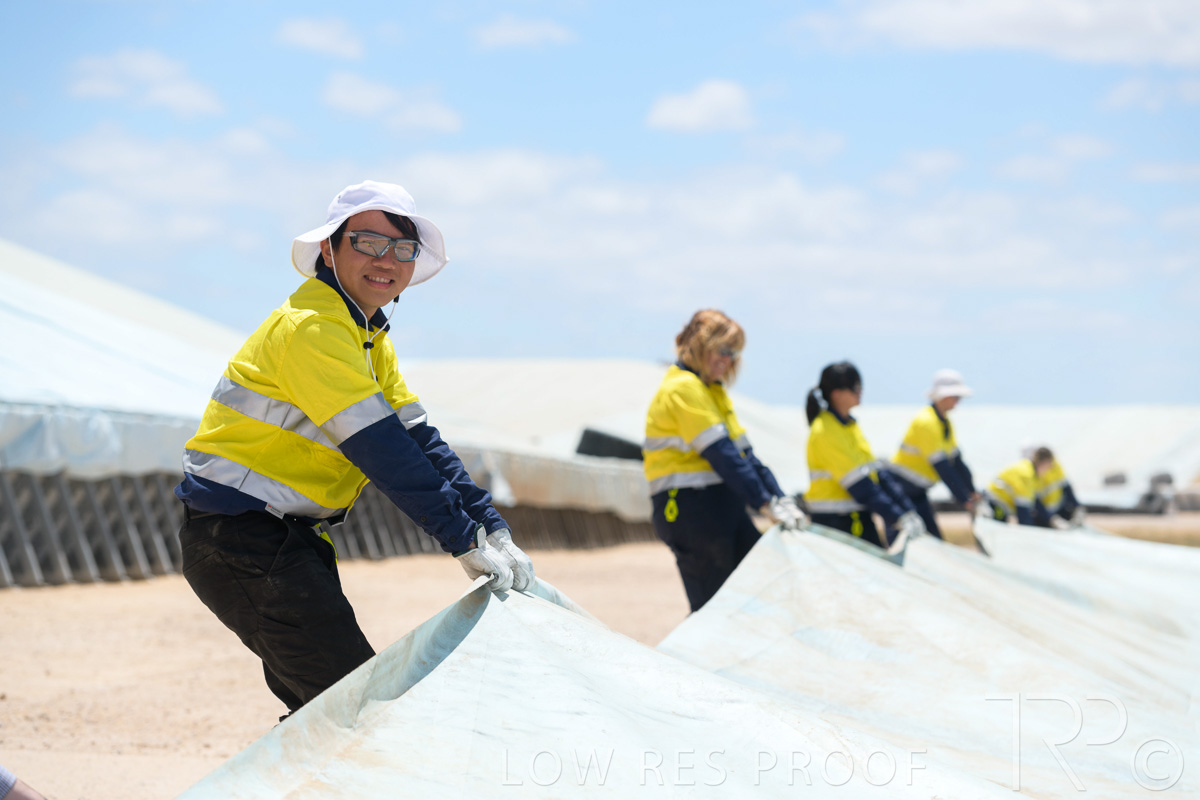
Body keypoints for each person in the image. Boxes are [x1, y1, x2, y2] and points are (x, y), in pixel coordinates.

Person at [175, 180, 535, 718]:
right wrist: (462, 538)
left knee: (328, 713)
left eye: (403, 248)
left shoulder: (367, 337)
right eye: (368, 242)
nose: (386, 260)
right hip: (240, 536)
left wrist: (489, 523)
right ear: (328, 249)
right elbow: (382, 450)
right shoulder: (312, 328)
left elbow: (420, 441)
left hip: (283, 539)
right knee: (358, 706)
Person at [643, 310, 805, 612]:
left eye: (734, 353)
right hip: (690, 510)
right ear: (701, 345)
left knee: (762, 591)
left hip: (720, 505)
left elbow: (746, 456)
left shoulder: (713, 391)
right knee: (715, 609)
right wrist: (764, 502)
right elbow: (723, 455)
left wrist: (780, 497)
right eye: (723, 350)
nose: (728, 360)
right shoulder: (683, 388)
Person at [804, 361, 926, 553]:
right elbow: (860, 486)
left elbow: (877, 474)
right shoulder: (825, 431)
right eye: (855, 387)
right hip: (834, 523)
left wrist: (908, 511)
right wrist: (897, 517)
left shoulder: (849, 426)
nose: (860, 391)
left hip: (857, 517)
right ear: (836, 394)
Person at [884, 369, 981, 539]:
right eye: (956, 396)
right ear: (943, 396)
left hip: (918, 492)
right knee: (904, 537)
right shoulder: (927, 422)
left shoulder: (944, 423)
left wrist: (972, 491)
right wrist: (963, 499)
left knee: (933, 538)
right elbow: (943, 468)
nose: (958, 401)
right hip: (900, 489)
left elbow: (957, 462)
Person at [984, 446, 1055, 526]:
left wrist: (1050, 518)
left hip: (995, 500)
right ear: (1044, 462)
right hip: (995, 503)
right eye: (1050, 466)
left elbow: (1036, 502)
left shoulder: (1029, 470)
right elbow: (1023, 513)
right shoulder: (1027, 475)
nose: (1049, 470)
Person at [1027, 445, 1085, 529]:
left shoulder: (1055, 467)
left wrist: (1077, 507)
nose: (1048, 467)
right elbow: (1037, 503)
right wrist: (1050, 519)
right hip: (1045, 515)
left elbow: (1066, 488)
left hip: (1059, 510)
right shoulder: (1031, 475)